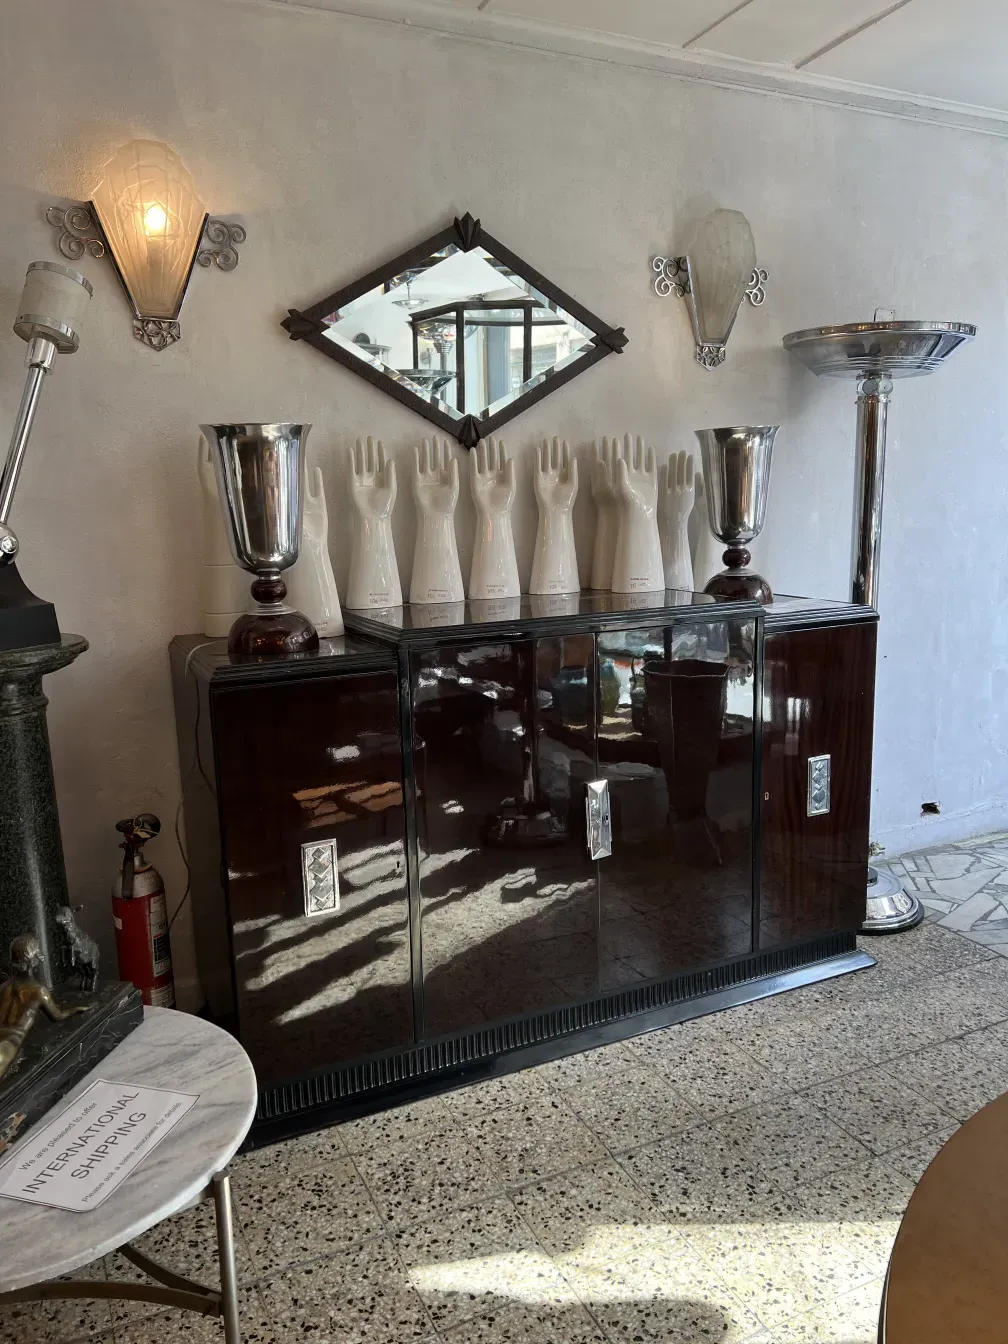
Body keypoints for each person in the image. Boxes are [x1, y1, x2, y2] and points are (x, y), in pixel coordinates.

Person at [0, 935, 89, 1083]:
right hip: (11, 1040)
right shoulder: (38, 991)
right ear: (34, 960)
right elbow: (57, 1016)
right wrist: (75, 1009)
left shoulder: (3, 987)